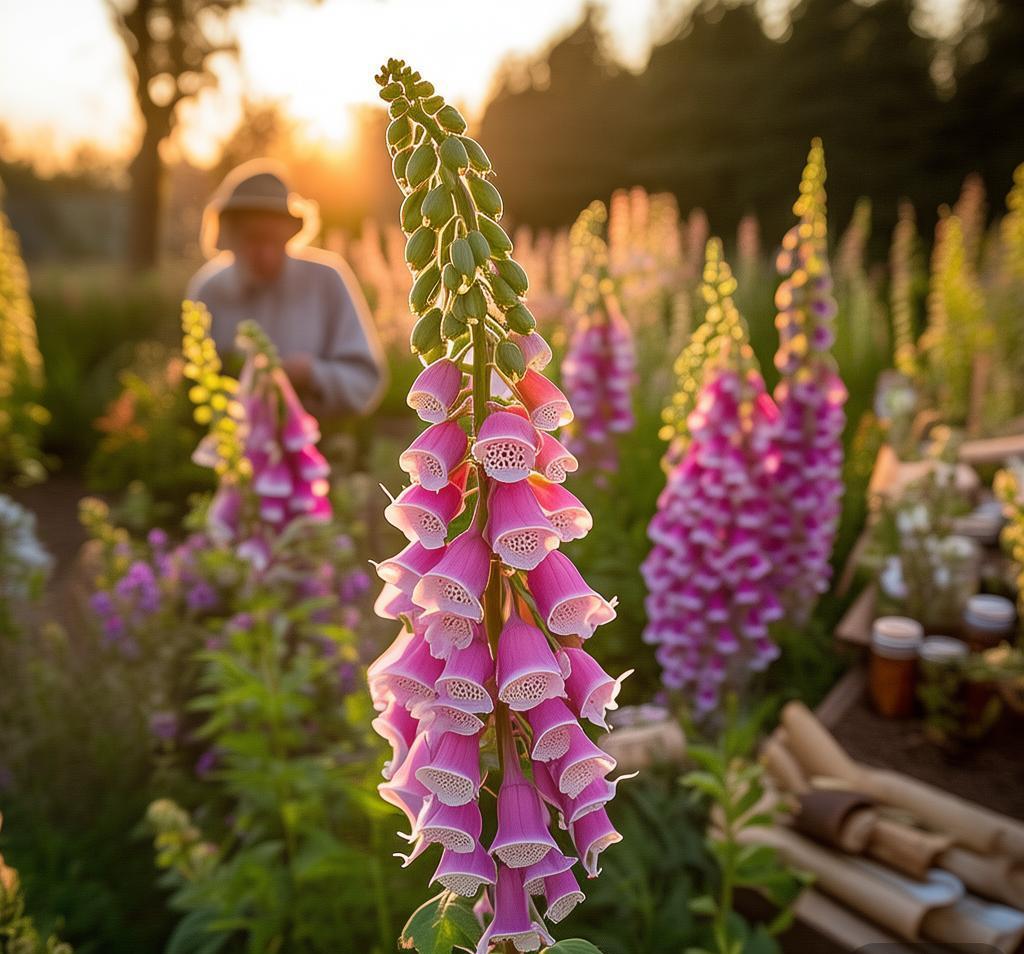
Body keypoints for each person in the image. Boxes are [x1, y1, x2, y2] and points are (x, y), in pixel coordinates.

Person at [187, 160, 386, 418]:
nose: (266, 254)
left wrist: (312, 374)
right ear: (229, 234)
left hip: (321, 444)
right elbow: (193, 386)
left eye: (275, 240)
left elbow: (366, 381)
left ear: (291, 234)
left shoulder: (326, 280)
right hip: (231, 446)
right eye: (254, 239)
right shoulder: (209, 290)